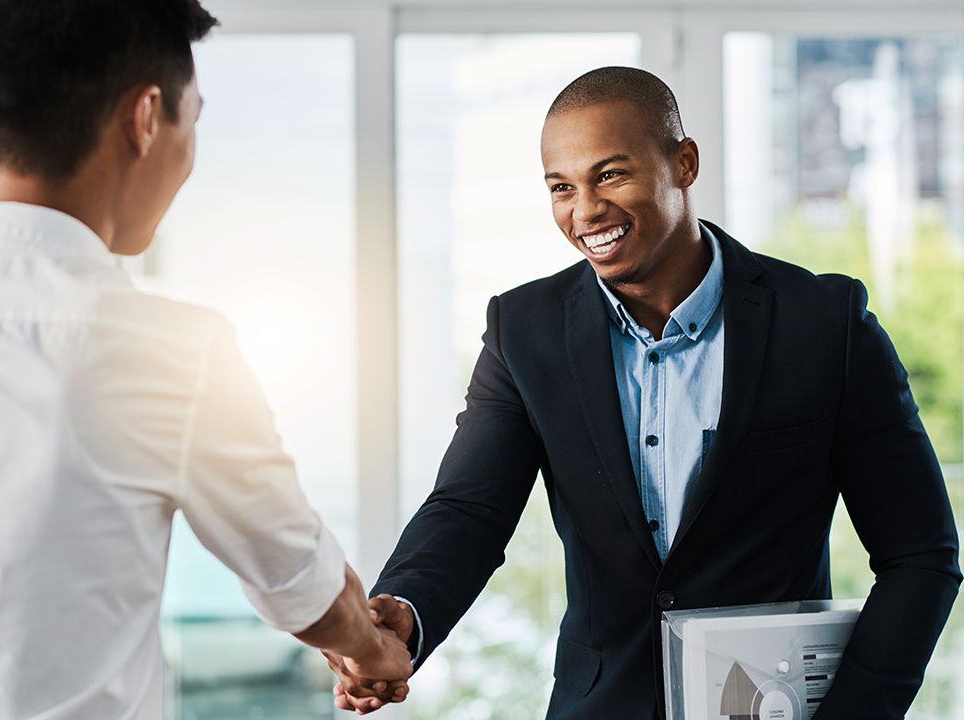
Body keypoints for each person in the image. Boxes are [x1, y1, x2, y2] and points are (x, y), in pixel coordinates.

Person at [328, 66, 961, 719]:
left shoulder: (824, 323)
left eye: (610, 175)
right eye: (561, 187)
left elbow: (921, 555)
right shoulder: (524, 331)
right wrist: (405, 613)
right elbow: (469, 511)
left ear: (683, 162)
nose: (586, 210)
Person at [0, 1, 411, 717]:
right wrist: (371, 651)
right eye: (192, 121)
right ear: (145, 118)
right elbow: (297, 578)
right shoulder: (172, 353)